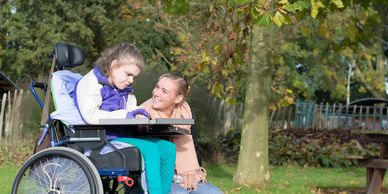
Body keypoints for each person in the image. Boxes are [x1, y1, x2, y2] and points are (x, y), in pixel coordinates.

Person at [74, 43, 176, 194]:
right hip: (103, 141)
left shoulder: (123, 89)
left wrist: (140, 114)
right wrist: (126, 115)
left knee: (168, 148)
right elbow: (90, 116)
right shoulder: (91, 82)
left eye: (134, 76)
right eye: (128, 74)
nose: (131, 80)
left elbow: (131, 110)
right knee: (151, 148)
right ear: (114, 65)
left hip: (123, 137)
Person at [141, 73, 222, 194]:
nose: (156, 93)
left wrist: (190, 174)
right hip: (158, 178)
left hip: (187, 176)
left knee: (214, 192)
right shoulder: (142, 114)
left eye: (164, 91)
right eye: (157, 87)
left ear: (178, 98)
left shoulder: (185, 114)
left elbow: (195, 149)